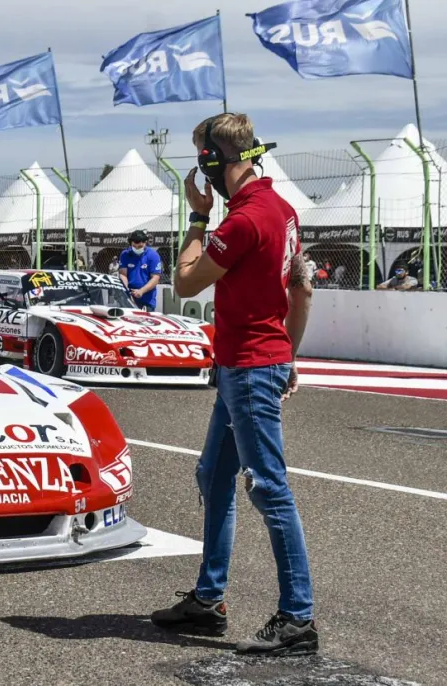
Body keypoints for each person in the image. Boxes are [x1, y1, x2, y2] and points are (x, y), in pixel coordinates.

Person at [151, 112, 317, 656]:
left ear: (217, 163)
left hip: (247, 367)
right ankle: (208, 599)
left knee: (269, 488)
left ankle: (297, 619)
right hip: (248, 365)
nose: (205, 181)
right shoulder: (284, 211)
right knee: (215, 476)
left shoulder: (243, 221)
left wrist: (196, 221)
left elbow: (185, 282)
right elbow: (303, 292)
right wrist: (288, 356)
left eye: (204, 163)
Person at [117, 229, 163, 311]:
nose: (137, 248)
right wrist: (126, 291)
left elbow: (155, 278)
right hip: (128, 298)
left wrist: (141, 291)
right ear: (131, 243)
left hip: (147, 299)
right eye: (134, 246)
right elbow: (123, 274)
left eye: (140, 247)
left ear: (145, 243)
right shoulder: (125, 254)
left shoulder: (153, 255)